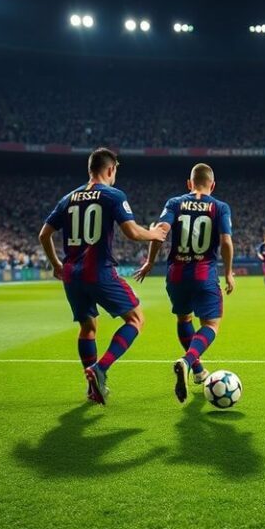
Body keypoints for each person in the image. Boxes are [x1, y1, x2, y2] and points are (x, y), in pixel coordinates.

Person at [38, 148, 168, 405]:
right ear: (110, 169)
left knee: (88, 328)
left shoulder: (68, 199)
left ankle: (91, 389)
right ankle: (100, 369)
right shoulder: (113, 195)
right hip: (98, 271)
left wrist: (55, 264)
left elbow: (44, 234)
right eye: (115, 171)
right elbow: (131, 232)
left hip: (72, 274)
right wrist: (154, 234)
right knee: (136, 319)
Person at [134, 163, 235, 403]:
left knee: (184, 319)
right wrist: (229, 272)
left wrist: (149, 262)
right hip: (203, 273)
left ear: (189, 184)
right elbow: (226, 242)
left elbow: (160, 232)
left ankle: (199, 371)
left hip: (176, 274)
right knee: (211, 325)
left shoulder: (175, 202)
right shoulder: (220, 207)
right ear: (213, 184)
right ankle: (188, 361)